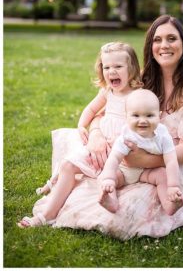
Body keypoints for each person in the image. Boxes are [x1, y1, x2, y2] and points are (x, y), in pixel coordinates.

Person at [23, 15, 183, 239]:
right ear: (150, 46)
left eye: (171, 39)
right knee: (88, 179)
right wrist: (98, 134)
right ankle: (52, 209)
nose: (164, 45)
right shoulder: (140, 79)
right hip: (126, 157)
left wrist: (142, 160)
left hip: (171, 167)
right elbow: (106, 111)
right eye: (157, 40)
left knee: (126, 212)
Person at [19, 42, 141, 227]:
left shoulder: (138, 95)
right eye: (106, 67)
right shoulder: (108, 91)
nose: (111, 72)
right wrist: (82, 125)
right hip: (100, 145)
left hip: (119, 154)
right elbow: (91, 109)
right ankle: (47, 214)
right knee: (69, 164)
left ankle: (58, 188)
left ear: (131, 69)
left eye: (118, 66)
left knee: (106, 178)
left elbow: (144, 124)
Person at [97, 89, 182, 215]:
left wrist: (173, 186)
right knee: (104, 178)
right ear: (126, 117)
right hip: (124, 171)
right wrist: (109, 178)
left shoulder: (163, 135)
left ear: (159, 116)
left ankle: (169, 204)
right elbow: (114, 158)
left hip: (147, 171)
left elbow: (171, 161)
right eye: (136, 115)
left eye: (149, 115)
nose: (142, 120)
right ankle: (111, 201)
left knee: (162, 174)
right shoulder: (127, 135)